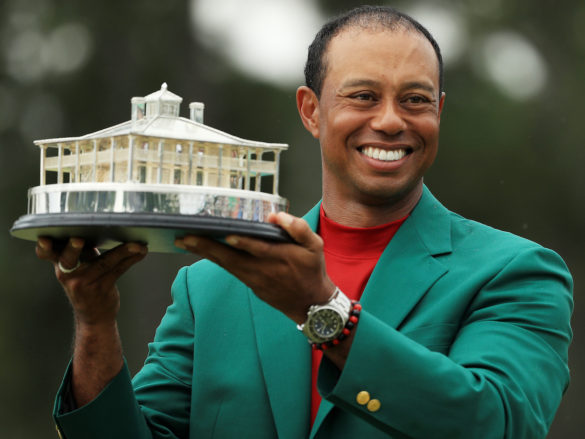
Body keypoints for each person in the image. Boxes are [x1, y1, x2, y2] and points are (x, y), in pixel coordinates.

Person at [38, 6, 573, 439]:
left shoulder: (515, 273)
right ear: (311, 111)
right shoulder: (208, 287)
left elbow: (501, 424)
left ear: (439, 112)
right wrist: (95, 322)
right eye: (363, 96)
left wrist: (323, 310)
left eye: (415, 100)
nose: (390, 121)